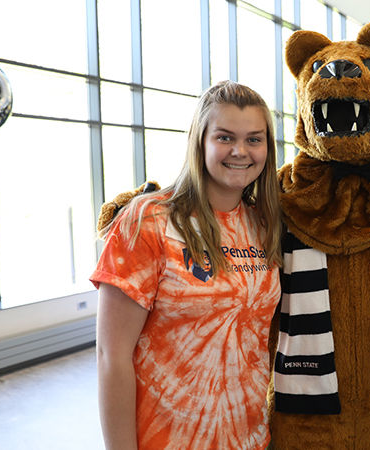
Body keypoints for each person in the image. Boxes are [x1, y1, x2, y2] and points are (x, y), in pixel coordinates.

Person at [91, 80, 283, 450]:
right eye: (225, 137)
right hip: (165, 438)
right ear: (201, 141)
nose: (240, 151)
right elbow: (110, 356)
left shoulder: (264, 225)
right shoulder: (149, 221)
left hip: (250, 438)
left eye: (254, 139)